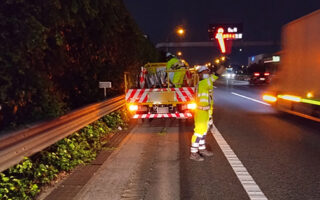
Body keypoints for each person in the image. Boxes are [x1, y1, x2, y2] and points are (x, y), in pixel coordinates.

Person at [190, 65, 225, 161]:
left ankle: (202, 149)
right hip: (201, 111)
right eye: (204, 71)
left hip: (206, 111)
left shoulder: (206, 84)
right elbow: (216, 76)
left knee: (204, 132)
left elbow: (209, 101)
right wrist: (223, 65)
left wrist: (210, 115)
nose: (207, 73)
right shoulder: (203, 83)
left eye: (207, 71)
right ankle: (193, 153)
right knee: (199, 132)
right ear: (200, 74)